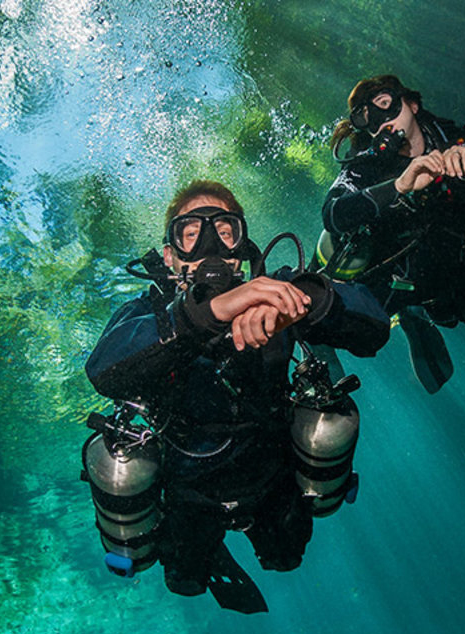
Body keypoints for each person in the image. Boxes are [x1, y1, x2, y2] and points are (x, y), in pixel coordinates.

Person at [82, 179, 389, 612]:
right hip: (188, 493)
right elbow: (105, 370)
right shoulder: (149, 314)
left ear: (243, 246)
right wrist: (202, 316)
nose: (210, 245)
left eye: (225, 231)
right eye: (190, 234)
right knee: (184, 581)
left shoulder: (278, 290)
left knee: (286, 557)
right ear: (170, 256)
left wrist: (305, 300)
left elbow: (373, 325)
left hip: (271, 478)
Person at [316, 74, 465, 393]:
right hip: (391, 277)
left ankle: (416, 316)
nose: (380, 121)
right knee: (355, 333)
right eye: (366, 118)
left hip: (447, 269)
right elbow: (333, 213)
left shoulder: (450, 136)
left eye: (384, 104)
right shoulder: (365, 167)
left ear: (413, 104)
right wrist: (398, 186)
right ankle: (401, 314)